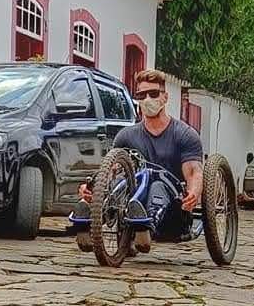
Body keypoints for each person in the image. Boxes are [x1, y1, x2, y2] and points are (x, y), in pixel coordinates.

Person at [78, 69, 203, 252]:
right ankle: (89, 218)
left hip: (170, 202)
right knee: (121, 182)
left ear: (165, 97)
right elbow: (111, 169)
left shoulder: (185, 134)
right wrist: (94, 189)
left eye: (153, 94)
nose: (147, 99)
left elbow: (193, 170)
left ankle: (146, 223)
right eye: (141, 95)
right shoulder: (126, 136)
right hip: (133, 191)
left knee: (155, 184)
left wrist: (193, 192)